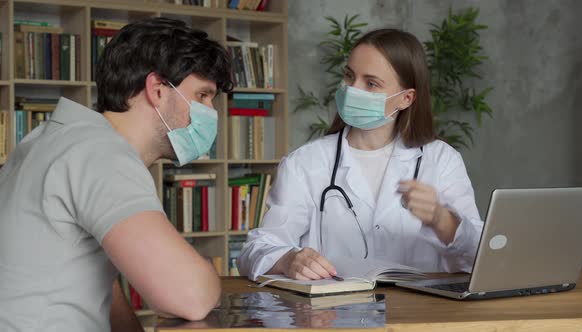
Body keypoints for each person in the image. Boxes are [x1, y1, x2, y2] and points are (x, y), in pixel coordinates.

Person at [0, 17, 232, 331]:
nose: (211, 113)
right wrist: (209, 274)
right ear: (157, 90)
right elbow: (190, 297)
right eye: (203, 96)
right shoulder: (101, 154)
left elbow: (98, 280)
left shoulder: (49, 139)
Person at [238, 28, 483, 281]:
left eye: (371, 83)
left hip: (419, 312)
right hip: (333, 313)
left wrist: (443, 220)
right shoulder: (304, 163)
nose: (352, 89)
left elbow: (481, 258)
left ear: (406, 98)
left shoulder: (442, 160)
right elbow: (255, 251)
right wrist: (287, 260)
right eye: (349, 76)